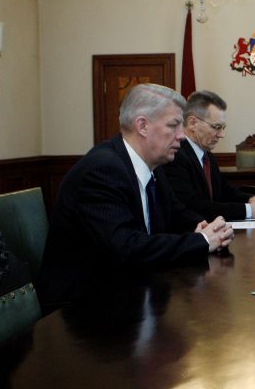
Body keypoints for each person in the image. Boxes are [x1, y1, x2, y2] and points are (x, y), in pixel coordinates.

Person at [37, 84, 234, 313]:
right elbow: (125, 247)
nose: (181, 135)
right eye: (173, 125)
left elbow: (175, 212)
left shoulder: (154, 166)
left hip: (130, 289)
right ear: (142, 126)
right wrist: (201, 241)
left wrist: (204, 227)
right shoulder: (102, 169)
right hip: (82, 308)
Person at [162, 90, 255, 221]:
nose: (221, 135)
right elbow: (192, 206)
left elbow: (224, 191)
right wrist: (249, 210)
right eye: (216, 127)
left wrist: (252, 199)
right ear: (192, 123)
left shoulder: (207, 155)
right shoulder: (175, 155)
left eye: (223, 128)